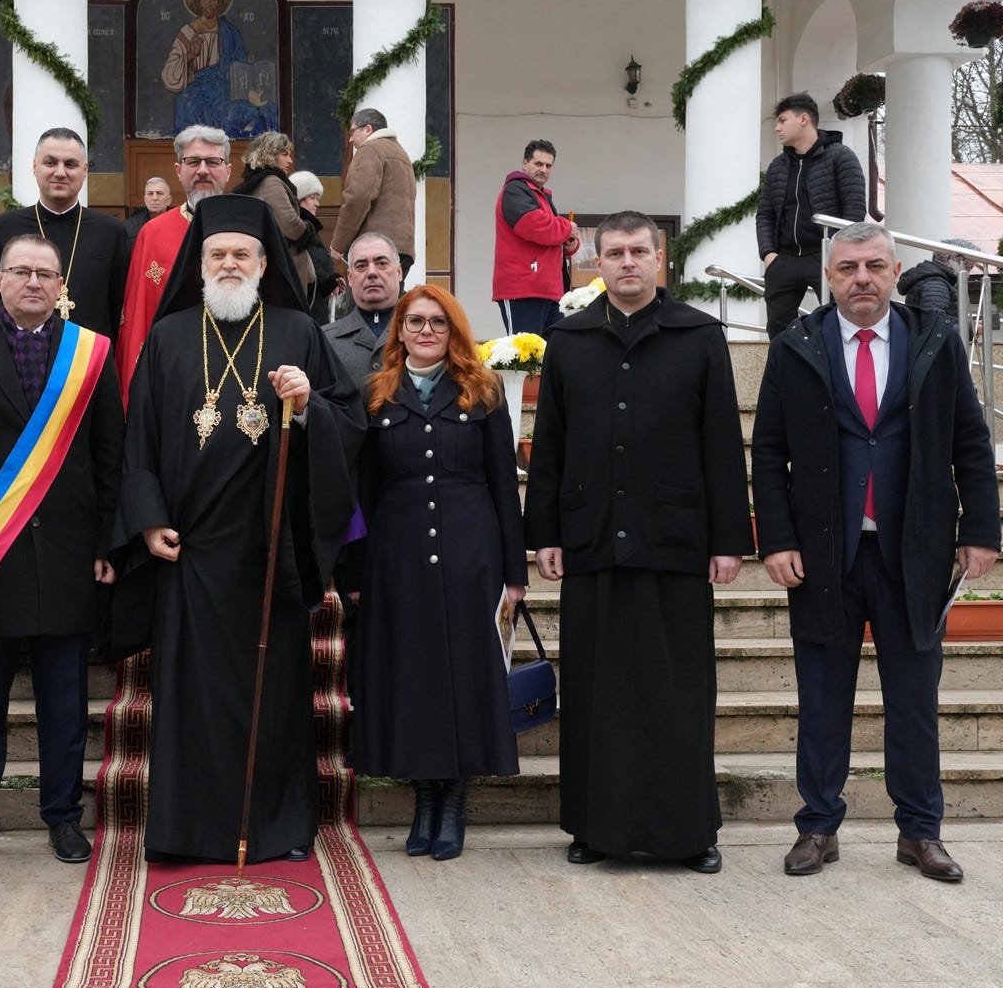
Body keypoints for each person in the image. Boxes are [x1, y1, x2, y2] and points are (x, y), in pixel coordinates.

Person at [111, 194, 365, 864]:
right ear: (200, 265)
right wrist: (148, 520)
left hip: (268, 552)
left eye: (241, 254)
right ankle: (186, 831)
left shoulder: (297, 331)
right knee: (191, 698)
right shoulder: (169, 336)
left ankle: (278, 827)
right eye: (218, 254)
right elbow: (138, 439)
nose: (229, 263)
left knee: (271, 694)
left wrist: (306, 406)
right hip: (189, 552)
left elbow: (348, 419)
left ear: (263, 263)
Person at [751, 220, 999, 882]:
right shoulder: (795, 346)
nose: (861, 278)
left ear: (893, 273)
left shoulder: (935, 341)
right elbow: (768, 451)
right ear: (828, 278)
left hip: (913, 553)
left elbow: (970, 441)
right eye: (847, 268)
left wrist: (980, 530)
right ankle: (817, 825)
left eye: (874, 267)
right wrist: (776, 539)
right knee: (822, 699)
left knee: (914, 702)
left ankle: (920, 832)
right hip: (823, 557)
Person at [525, 209, 753, 873]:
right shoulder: (569, 340)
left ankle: (689, 832)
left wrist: (729, 540)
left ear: (659, 259)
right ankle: (594, 827)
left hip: (675, 541)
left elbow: (721, 442)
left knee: (677, 691)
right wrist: (544, 531)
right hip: (592, 538)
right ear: (596, 263)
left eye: (638, 251)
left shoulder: (699, 335)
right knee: (596, 692)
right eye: (615, 252)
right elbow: (550, 445)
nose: (627, 262)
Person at [0, 233, 123, 870]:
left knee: (65, 707)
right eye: (21, 271)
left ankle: (62, 817)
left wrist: (106, 542)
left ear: (61, 285)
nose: (34, 282)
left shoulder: (90, 352)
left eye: (46, 273)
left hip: (68, 556)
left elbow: (111, 456)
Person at [348, 285, 527, 861]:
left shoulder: (482, 391)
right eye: (415, 322)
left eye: (438, 323)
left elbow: (504, 485)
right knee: (412, 678)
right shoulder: (376, 393)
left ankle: (452, 804)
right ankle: (424, 800)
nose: (426, 331)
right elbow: (362, 493)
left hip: (471, 554)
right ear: (399, 331)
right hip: (396, 557)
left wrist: (514, 572)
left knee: (462, 677)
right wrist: (356, 571)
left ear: (454, 332)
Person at [0, 128, 129, 333]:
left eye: (70, 164)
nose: (60, 173)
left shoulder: (111, 231)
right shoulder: (3, 228)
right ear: (35, 167)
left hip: (87, 351)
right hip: (14, 351)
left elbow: (118, 309)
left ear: (85, 170)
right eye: (50, 163)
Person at [116, 125, 230, 406]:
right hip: (173, 376)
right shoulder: (153, 234)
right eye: (193, 161)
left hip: (237, 371)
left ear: (228, 169)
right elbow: (138, 317)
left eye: (212, 161)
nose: (202, 170)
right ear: (178, 170)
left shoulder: (249, 231)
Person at [756, 92, 866, 338]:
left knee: (839, 324)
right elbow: (765, 213)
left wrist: (839, 253)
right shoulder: (778, 166)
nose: (777, 128)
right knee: (778, 329)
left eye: (782, 120)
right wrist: (768, 254)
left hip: (826, 256)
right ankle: (787, 365)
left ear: (803, 119)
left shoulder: (841, 156)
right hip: (784, 259)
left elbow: (855, 209)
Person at [161, 0, 277, 138]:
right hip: (195, 87)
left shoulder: (229, 32)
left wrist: (246, 91)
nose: (209, 3)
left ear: (219, 3)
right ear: (198, 2)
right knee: (187, 103)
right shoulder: (187, 32)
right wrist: (190, 56)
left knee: (244, 110)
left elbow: (240, 66)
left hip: (223, 86)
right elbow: (170, 75)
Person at [492, 139, 580, 335]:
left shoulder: (541, 195)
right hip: (523, 289)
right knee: (526, 352)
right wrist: (567, 228)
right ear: (525, 163)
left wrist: (568, 242)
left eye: (548, 165)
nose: (543, 170)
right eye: (538, 164)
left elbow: (551, 234)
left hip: (549, 290)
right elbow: (536, 227)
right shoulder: (515, 189)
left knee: (553, 350)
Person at [234, 132, 318, 311]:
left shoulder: (259, 181)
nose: (290, 161)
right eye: (284, 154)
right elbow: (290, 224)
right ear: (269, 155)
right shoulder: (271, 182)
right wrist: (308, 229)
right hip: (284, 265)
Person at [330, 108, 417, 277]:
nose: (350, 139)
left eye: (353, 132)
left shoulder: (370, 149)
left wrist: (339, 243)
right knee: (391, 294)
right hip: (402, 250)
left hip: (375, 249)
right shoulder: (402, 154)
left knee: (361, 294)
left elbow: (357, 198)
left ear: (368, 129)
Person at [321, 232, 404, 391]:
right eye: (361, 266)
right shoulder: (325, 340)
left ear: (399, 272)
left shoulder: (426, 333)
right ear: (350, 278)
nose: (372, 272)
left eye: (381, 263)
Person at [290, 170, 344, 324]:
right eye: (313, 198)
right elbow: (310, 258)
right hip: (309, 304)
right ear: (299, 199)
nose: (317, 203)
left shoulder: (305, 225)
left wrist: (333, 278)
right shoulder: (301, 227)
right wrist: (328, 284)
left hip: (314, 300)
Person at [897, 238, 980, 315]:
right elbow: (936, 322)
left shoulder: (935, 281)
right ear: (951, 261)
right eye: (967, 267)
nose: (968, 274)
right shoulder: (936, 285)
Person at [125, 177, 173, 245]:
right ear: (145, 199)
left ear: (169, 200)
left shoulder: (179, 225)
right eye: (150, 194)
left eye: (159, 193)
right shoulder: (129, 226)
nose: (155, 198)